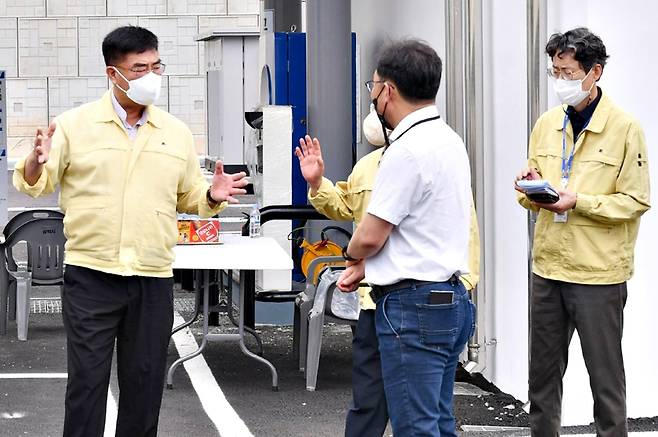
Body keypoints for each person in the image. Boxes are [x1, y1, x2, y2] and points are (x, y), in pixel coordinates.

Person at [13, 26, 247, 437]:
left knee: (144, 387)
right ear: (112, 73)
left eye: (156, 66)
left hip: (151, 278)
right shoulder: (74, 125)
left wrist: (211, 193)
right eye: (139, 68)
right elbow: (37, 182)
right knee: (87, 386)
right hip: (91, 276)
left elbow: (189, 195)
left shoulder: (174, 132)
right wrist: (35, 161)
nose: (151, 76)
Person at [296, 105, 481, 436]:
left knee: (424, 416)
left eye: (378, 90)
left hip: (418, 299)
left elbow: (461, 229)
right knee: (373, 402)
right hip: (376, 299)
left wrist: (463, 281)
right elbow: (343, 204)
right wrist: (317, 183)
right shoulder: (371, 166)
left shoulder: (428, 154)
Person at [333, 39, 475, 436]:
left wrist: (354, 254)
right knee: (437, 421)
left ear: (388, 90)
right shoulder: (449, 139)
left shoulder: (406, 151)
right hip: (451, 298)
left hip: (414, 307)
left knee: (416, 427)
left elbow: (372, 234)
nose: (373, 95)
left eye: (373, 86)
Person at [514, 27, 650, 437]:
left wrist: (579, 202)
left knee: (605, 383)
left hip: (598, 275)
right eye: (555, 70)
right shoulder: (547, 124)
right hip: (548, 268)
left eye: (569, 73)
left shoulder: (625, 128)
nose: (560, 81)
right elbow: (532, 194)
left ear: (595, 73)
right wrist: (527, 185)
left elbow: (635, 201)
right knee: (541, 381)